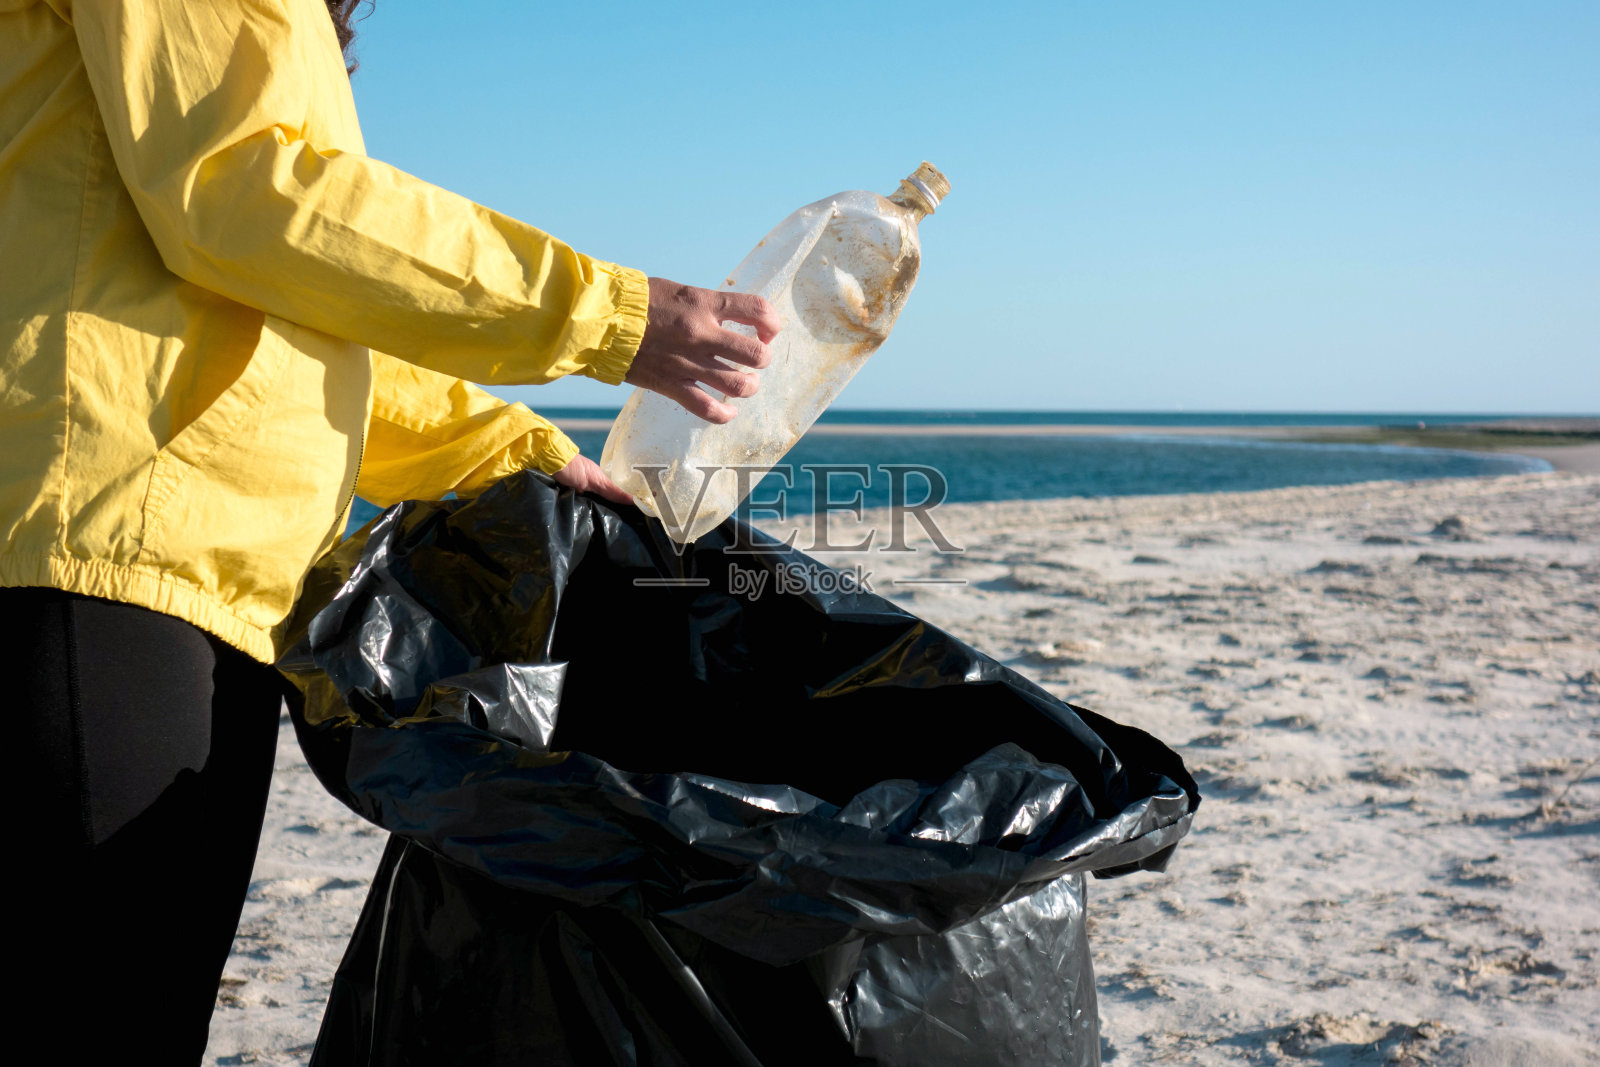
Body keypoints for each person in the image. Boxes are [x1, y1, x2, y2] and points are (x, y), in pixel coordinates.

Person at [0, 0, 779, 1060]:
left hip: (198, 569)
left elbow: (297, 310)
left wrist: (513, 450)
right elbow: (240, 191)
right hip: (97, 538)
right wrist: (606, 316)